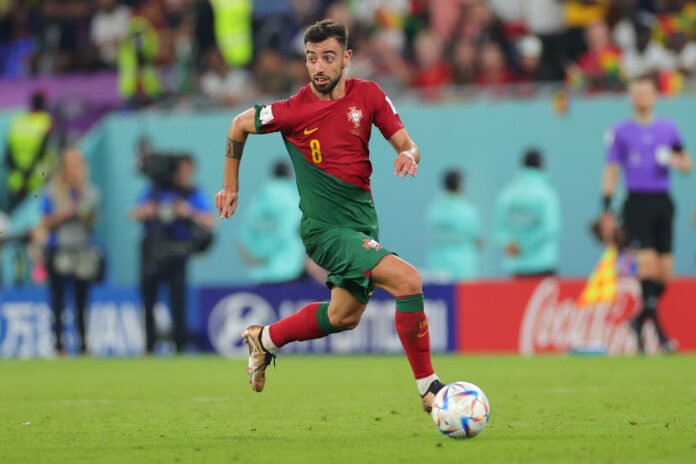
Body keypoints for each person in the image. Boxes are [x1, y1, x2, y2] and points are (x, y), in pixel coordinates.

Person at [215, 19, 445, 412]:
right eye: (311, 59)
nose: (318, 67)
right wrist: (230, 186)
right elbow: (238, 125)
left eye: (327, 57)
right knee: (408, 281)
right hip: (325, 231)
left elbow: (409, 145)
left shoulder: (368, 95)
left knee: (343, 316)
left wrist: (408, 155)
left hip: (362, 225)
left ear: (346, 58)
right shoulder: (292, 110)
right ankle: (429, 388)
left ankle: (264, 339)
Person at [600, 76, 692, 354]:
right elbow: (611, 171)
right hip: (637, 202)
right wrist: (606, 209)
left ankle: (639, 321)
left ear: (654, 96)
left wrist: (678, 161)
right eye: (637, 92)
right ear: (631, 97)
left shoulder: (669, 129)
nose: (641, 97)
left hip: (663, 202)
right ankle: (661, 336)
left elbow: (687, 164)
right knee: (648, 267)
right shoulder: (620, 131)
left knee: (664, 274)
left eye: (646, 92)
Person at [130, 155, 215, 354]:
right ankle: (149, 346)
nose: (184, 175)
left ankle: (180, 346)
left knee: (178, 301)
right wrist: (150, 210)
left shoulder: (191, 193)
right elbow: (133, 213)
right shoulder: (155, 191)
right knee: (149, 301)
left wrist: (187, 212)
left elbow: (210, 220)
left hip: (177, 252)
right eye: (181, 170)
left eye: (188, 170)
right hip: (152, 252)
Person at [40, 147, 101, 355]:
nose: (75, 169)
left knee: (82, 300)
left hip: (82, 250)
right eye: (71, 165)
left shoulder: (90, 192)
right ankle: (58, 344)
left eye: (78, 164)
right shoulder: (51, 192)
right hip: (59, 250)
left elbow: (91, 223)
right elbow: (45, 221)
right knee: (58, 300)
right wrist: (66, 214)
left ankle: (83, 344)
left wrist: (87, 216)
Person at [494, 149, 561, 277]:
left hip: (516, 264)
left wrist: (513, 245)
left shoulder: (507, 193)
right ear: (542, 165)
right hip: (542, 263)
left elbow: (499, 228)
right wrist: (526, 246)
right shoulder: (546, 193)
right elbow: (550, 228)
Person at [238, 160, 305, 283]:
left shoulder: (259, 198)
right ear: (290, 175)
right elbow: (300, 230)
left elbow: (245, 234)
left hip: (261, 272)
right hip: (290, 269)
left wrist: (255, 258)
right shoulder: (293, 197)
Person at [425, 169, 482, 282]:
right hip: (463, 266)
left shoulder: (434, 209)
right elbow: (476, 239)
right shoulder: (467, 210)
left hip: (438, 264)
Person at [4, 91, 53, 212]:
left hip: (16, 178)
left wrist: (21, 171)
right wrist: (28, 172)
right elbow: (43, 150)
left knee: (17, 215)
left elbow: (8, 152)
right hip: (36, 179)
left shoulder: (18, 120)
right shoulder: (46, 121)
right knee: (36, 214)